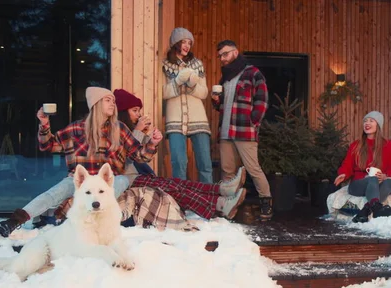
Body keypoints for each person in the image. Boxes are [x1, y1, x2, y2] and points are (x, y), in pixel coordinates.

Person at [0, 87, 162, 237]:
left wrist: (152, 144)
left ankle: (97, 221)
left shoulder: (120, 129)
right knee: (54, 193)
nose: (113, 104)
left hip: (106, 181)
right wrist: (44, 125)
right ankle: (13, 222)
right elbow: (48, 146)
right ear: (96, 103)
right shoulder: (75, 129)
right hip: (81, 180)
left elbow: (139, 155)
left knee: (122, 180)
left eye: (113, 101)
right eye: (107, 100)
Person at [114, 89, 247, 220]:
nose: (138, 114)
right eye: (134, 110)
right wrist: (138, 131)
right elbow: (129, 159)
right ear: (123, 112)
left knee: (178, 183)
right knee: (173, 188)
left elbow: (140, 156)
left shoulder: (127, 130)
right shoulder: (115, 131)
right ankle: (221, 204)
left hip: (135, 176)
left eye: (139, 110)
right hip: (127, 181)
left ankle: (223, 190)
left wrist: (148, 139)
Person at [211, 40, 273, 221]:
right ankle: (228, 207)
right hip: (225, 132)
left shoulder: (253, 73)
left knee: (253, 169)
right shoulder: (225, 78)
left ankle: (266, 205)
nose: (222, 58)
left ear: (235, 52)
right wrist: (216, 100)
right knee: (227, 171)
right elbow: (222, 106)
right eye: (220, 55)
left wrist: (253, 122)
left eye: (225, 54)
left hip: (245, 131)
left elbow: (262, 101)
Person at [162, 27, 213, 183]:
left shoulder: (197, 64)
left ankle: (207, 199)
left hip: (198, 119)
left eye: (189, 43)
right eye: (183, 42)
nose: (187, 46)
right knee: (178, 163)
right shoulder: (165, 64)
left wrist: (192, 85)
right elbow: (163, 93)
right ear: (175, 43)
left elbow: (204, 93)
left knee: (205, 163)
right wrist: (177, 81)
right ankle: (181, 200)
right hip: (175, 121)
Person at [334, 111, 391, 223]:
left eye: (371, 120)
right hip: (357, 185)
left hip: (378, 184)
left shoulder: (388, 145)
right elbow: (347, 165)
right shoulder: (356, 145)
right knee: (372, 179)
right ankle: (376, 208)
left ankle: (366, 209)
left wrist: (386, 176)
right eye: (365, 121)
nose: (367, 123)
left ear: (378, 125)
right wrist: (343, 174)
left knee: (390, 182)